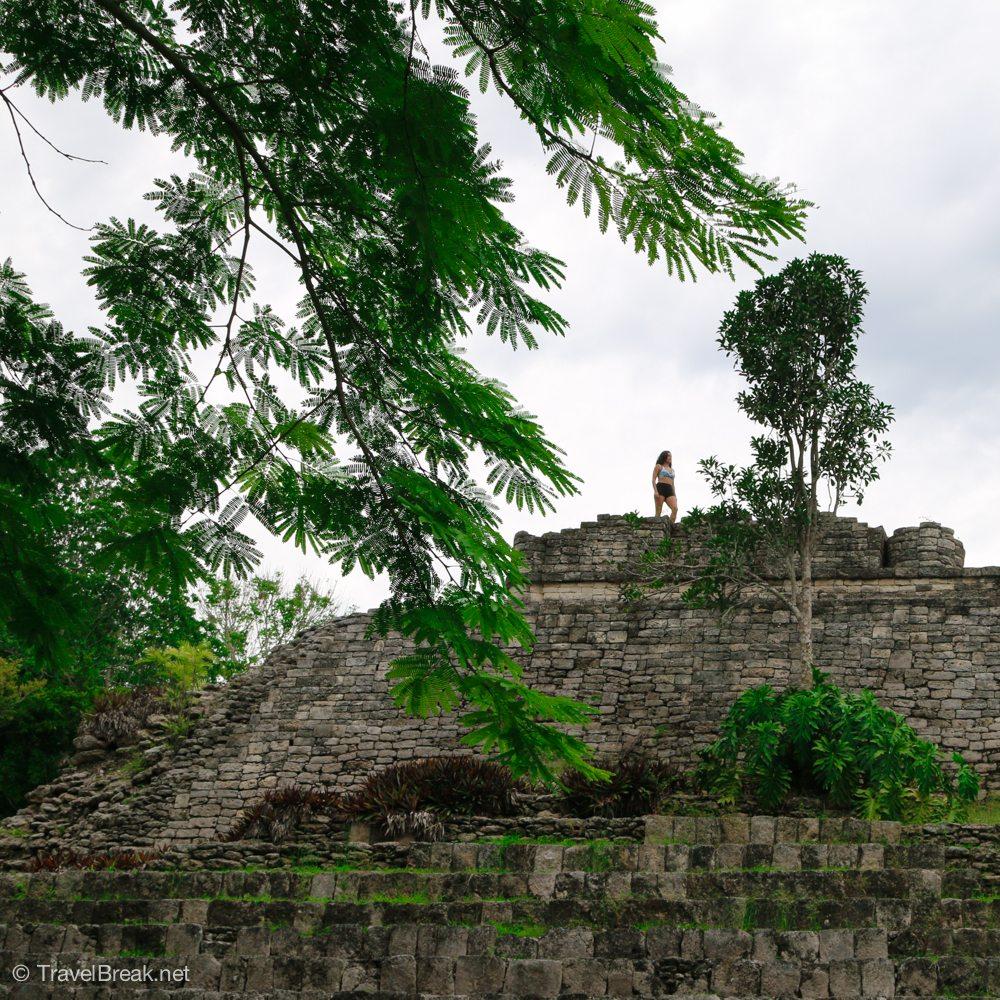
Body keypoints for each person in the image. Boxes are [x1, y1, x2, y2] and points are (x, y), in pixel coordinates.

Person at [652, 449, 677, 522]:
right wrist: (655, 491)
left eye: (671, 456)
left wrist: (675, 495)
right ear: (664, 456)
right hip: (660, 488)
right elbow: (653, 479)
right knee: (658, 511)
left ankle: (670, 527)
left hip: (670, 489)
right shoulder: (658, 466)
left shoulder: (672, 470)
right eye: (668, 456)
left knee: (675, 508)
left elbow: (673, 484)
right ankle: (656, 528)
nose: (670, 457)